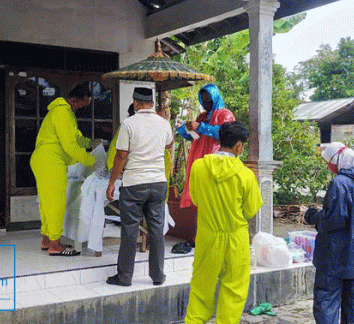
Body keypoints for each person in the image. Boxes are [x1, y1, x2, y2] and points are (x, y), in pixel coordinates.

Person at [184, 121, 263, 324]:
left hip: (208, 236)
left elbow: (196, 198)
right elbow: (251, 209)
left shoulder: (199, 166)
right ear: (239, 146)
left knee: (201, 289)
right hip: (235, 239)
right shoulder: (245, 175)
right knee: (234, 291)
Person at [303, 142, 354, 324]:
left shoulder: (340, 183)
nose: (329, 166)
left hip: (335, 256)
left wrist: (313, 216)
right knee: (352, 301)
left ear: (337, 161)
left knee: (326, 300)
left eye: (329, 162)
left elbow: (333, 220)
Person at [106, 87, 173, 287]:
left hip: (134, 184)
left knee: (129, 230)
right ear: (152, 103)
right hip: (158, 183)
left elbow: (120, 156)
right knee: (157, 230)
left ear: (136, 103)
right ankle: (158, 276)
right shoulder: (164, 124)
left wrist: (111, 182)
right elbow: (169, 146)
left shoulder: (128, 124)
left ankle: (125, 277)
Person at [30, 83, 96, 256]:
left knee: (47, 202)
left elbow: (76, 138)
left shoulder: (66, 113)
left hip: (46, 159)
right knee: (56, 202)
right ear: (74, 100)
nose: (84, 108)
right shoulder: (61, 112)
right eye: (83, 104)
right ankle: (55, 245)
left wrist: (90, 143)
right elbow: (70, 146)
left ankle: (47, 240)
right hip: (50, 160)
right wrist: (91, 161)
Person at [176, 84, 235, 237]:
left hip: (216, 162)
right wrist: (183, 128)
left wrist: (200, 127)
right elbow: (192, 136)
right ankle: (199, 237)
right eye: (203, 100)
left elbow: (225, 133)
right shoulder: (202, 116)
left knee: (213, 200)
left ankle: (213, 235)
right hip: (199, 161)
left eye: (209, 100)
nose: (206, 103)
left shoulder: (225, 115)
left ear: (215, 97)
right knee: (198, 200)